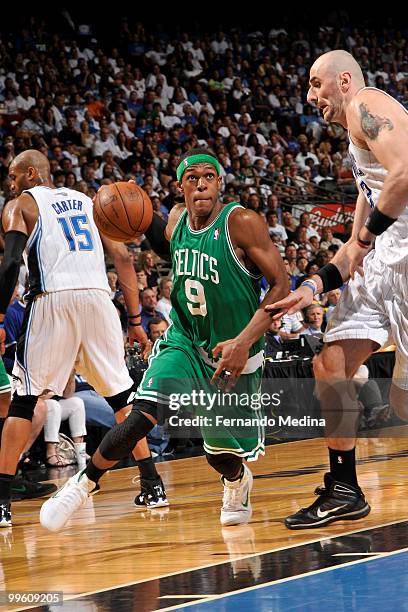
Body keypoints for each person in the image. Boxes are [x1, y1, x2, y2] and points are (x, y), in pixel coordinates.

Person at [40, 147, 288, 532]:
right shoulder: (177, 221)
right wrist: (128, 211)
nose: (201, 184)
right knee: (143, 413)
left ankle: (236, 481)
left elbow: (281, 284)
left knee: (220, 454)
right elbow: (166, 243)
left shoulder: (241, 222)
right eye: (192, 178)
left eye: (209, 176)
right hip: (185, 340)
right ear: (181, 187)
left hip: (233, 350)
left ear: (220, 182)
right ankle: (82, 484)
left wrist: (242, 342)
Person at [267, 50, 408, 529]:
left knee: (403, 403)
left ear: (343, 80)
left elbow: (406, 171)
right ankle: (345, 488)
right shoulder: (357, 146)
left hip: (406, 262)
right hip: (380, 269)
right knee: (329, 364)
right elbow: (352, 250)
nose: (310, 96)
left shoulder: (369, 103)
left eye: (315, 84)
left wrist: (371, 237)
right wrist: (311, 287)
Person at [0, 150, 165, 529]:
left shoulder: (21, 204)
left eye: (12, 176)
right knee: (123, 398)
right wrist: (136, 319)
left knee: (24, 401)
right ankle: (153, 484)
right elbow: (123, 259)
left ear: (29, 173)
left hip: (52, 299)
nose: (10, 184)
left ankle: (1, 502)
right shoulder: (91, 202)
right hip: (98, 300)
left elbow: (10, 263)